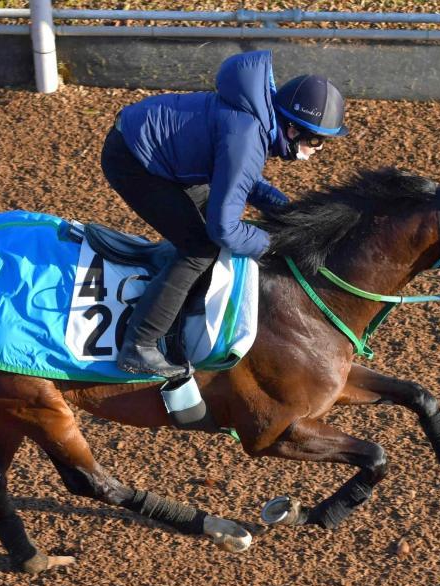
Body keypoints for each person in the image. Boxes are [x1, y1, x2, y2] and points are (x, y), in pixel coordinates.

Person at [101, 50, 349, 379]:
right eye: (316, 141)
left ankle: (175, 310)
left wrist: (288, 212)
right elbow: (225, 230)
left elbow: (242, 178)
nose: (318, 150)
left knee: (204, 231)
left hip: (163, 157)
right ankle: (139, 345)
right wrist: (275, 242)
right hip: (134, 160)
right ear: (291, 130)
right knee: (200, 248)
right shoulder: (248, 138)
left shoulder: (255, 119)